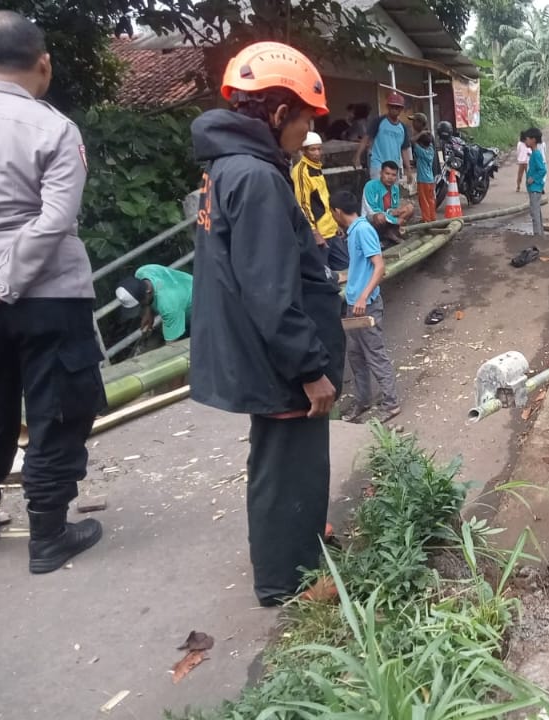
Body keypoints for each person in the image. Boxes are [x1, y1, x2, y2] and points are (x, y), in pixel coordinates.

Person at [188, 41, 344, 606]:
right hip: (277, 357)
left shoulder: (228, 169)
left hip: (260, 349)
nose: (306, 136)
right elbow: (270, 290)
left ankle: (301, 544)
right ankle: (287, 581)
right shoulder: (254, 179)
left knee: (284, 458)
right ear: (278, 114)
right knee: (289, 462)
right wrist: (309, 368)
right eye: (303, 122)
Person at [0, 10, 106, 572]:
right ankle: (48, 534)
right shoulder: (54, 128)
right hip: (50, 293)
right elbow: (54, 220)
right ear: (44, 63)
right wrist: (4, 283)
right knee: (59, 407)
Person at [329, 191, 401, 423]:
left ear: (337, 212)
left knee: (374, 353)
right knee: (356, 355)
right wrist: (341, 278)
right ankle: (363, 400)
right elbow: (361, 268)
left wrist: (362, 297)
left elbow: (379, 267)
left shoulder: (362, 230)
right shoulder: (353, 232)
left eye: (332, 213)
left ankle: (391, 404)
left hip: (366, 306)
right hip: (354, 305)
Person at [292, 131, 346, 271]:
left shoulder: (316, 167)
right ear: (304, 151)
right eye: (312, 149)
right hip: (319, 235)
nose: (317, 153)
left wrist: (336, 223)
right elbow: (303, 204)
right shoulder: (301, 171)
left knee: (346, 268)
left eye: (319, 148)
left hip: (331, 230)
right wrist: (314, 232)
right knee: (324, 275)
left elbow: (324, 200)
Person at [115, 264, 194, 343]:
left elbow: (171, 346)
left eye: (140, 305)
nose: (140, 309)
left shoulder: (168, 307)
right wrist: (148, 311)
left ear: (148, 293)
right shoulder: (143, 272)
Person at [355, 92, 410, 177]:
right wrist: (357, 156)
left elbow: (404, 150)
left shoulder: (402, 128)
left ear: (401, 109)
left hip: (393, 168)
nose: (395, 109)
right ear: (388, 107)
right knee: (378, 189)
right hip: (378, 166)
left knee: (391, 190)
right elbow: (366, 138)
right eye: (392, 106)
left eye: (397, 107)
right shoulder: (379, 121)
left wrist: (408, 170)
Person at [362, 161, 414, 246]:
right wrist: (395, 220)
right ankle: (381, 236)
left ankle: (391, 233)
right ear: (381, 173)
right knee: (380, 217)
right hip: (371, 219)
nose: (390, 177)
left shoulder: (395, 188)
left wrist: (395, 212)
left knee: (409, 208)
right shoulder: (370, 186)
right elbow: (372, 211)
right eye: (387, 173)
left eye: (393, 175)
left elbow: (392, 208)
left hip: (386, 217)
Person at [411, 132, 439, 223]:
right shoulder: (431, 150)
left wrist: (421, 133)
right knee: (431, 200)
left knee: (423, 201)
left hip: (422, 180)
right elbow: (429, 142)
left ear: (421, 144)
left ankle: (426, 219)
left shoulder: (420, 151)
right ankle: (432, 217)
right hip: (430, 180)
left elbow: (412, 141)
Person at [524, 127, 546, 238]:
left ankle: (537, 235)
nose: (526, 141)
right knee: (536, 211)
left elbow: (543, 170)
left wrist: (533, 179)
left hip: (535, 188)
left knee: (534, 212)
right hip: (534, 188)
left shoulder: (536, 154)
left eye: (527, 139)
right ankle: (540, 233)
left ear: (533, 140)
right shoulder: (534, 153)